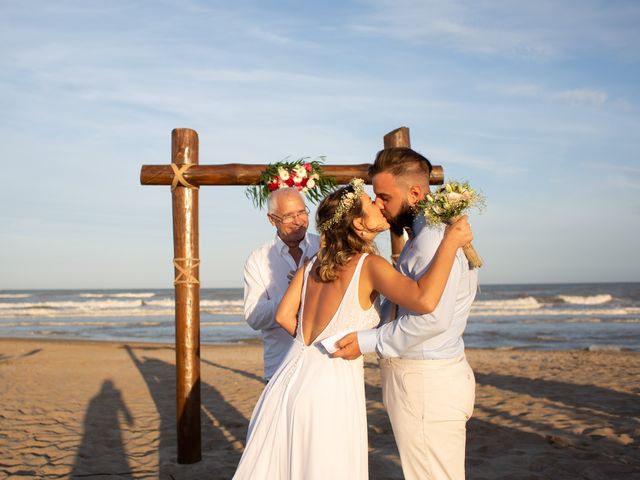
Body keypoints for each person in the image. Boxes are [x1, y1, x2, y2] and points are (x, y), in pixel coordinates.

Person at [233, 178, 473, 479]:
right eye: (371, 204)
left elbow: (283, 316)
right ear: (359, 225)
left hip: (287, 381)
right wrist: (450, 243)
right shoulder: (369, 265)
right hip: (330, 389)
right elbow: (425, 300)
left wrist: (318, 341)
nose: (379, 205)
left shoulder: (311, 266)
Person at [334, 148, 479, 480]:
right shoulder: (425, 235)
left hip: (426, 382)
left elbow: (432, 318)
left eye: (384, 196)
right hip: (420, 378)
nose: (379, 204)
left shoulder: (433, 241)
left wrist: (365, 341)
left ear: (415, 192)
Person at [243, 187, 320, 380]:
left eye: (302, 212)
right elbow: (254, 317)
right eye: (288, 216)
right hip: (280, 367)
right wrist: (295, 293)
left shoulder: (325, 247)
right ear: (272, 219)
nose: (298, 221)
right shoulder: (258, 259)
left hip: (322, 363)